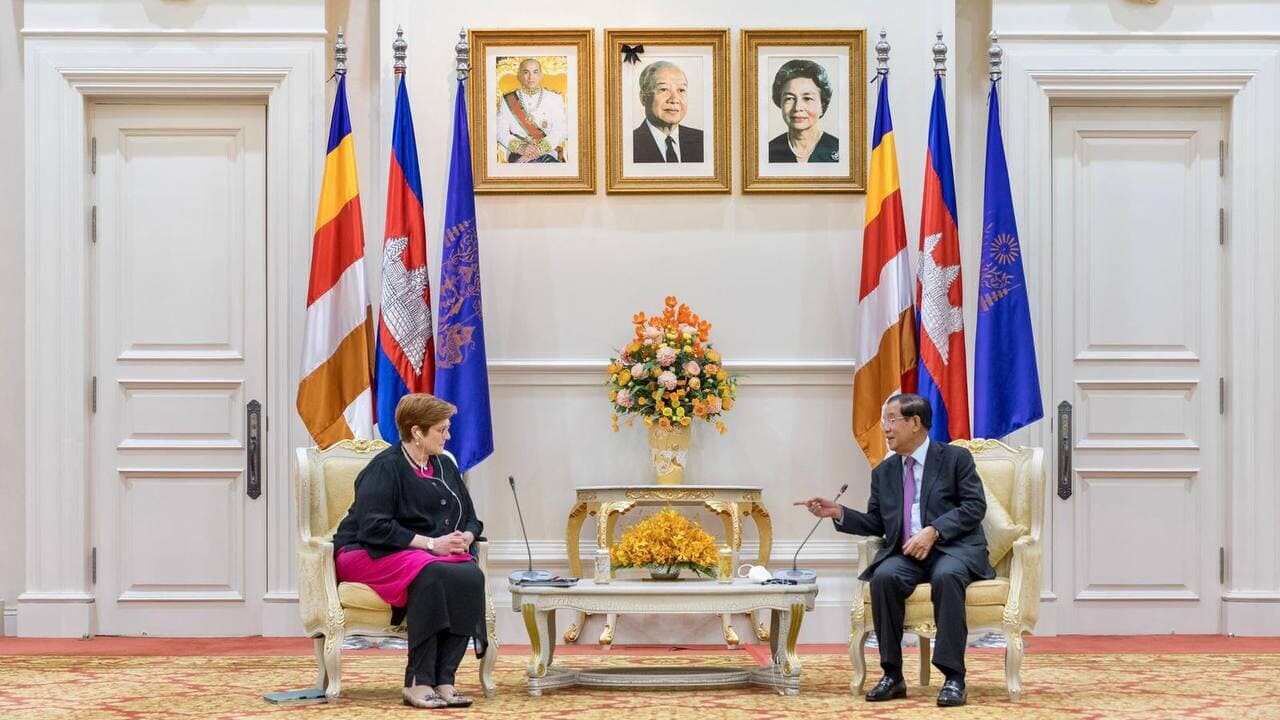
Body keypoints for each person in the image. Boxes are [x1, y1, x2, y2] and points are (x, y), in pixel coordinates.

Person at [796, 393, 992, 708]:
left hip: (952, 549)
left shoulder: (955, 459)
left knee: (947, 577)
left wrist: (934, 530)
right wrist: (839, 513)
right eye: (885, 420)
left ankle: (954, 677)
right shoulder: (884, 473)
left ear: (915, 423)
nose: (885, 428)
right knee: (883, 577)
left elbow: (974, 507)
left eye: (891, 419)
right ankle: (893, 675)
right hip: (907, 555)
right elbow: (877, 522)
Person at [332, 393, 486, 709]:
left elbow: (472, 518)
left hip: (425, 554)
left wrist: (465, 538)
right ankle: (418, 682)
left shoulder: (444, 465)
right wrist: (432, 544)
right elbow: (374, 528)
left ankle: (444, 679)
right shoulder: (385, 468)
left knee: (469, 573)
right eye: (441, 430)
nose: (448, 435)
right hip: (367, 552)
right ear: (417, 432)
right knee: (433, 571)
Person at [495, 57, 568, 163]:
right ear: (519, 76)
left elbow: (561, 130)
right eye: (526, 72)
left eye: (535, 72)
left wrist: (539, 149)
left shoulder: (554, 98)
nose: (530, 77)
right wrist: (521, 148)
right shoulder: (508, 99)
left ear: (541, 75)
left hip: (547, 153)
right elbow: (500, 131)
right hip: (517, 154)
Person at [768, 59, 839, 163]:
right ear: (780, 103)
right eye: (789, 98)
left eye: (807, 98)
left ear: (822, 105)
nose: (797, 107)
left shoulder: (839, 150)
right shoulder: (769, 152)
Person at [632, 60, 704, 163]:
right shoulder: (629, 145)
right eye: (663, 89)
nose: (674, 99)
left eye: (681, 90)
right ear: (643, 98)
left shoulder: (702, 140)